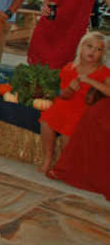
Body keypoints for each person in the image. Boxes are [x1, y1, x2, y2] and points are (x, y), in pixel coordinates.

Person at [46, 36, 110, 199]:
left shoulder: (103, 72)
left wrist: (89, 81)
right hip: (69, 103)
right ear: (81, 48)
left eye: (98, 49)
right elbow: (63, 94)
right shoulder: (70, 67)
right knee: (48, 119)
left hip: (87, 106)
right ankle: (48, 158)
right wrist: (70, 89)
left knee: (71, 130)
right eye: (89, 47)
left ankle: (65, 167)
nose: (93, 52)